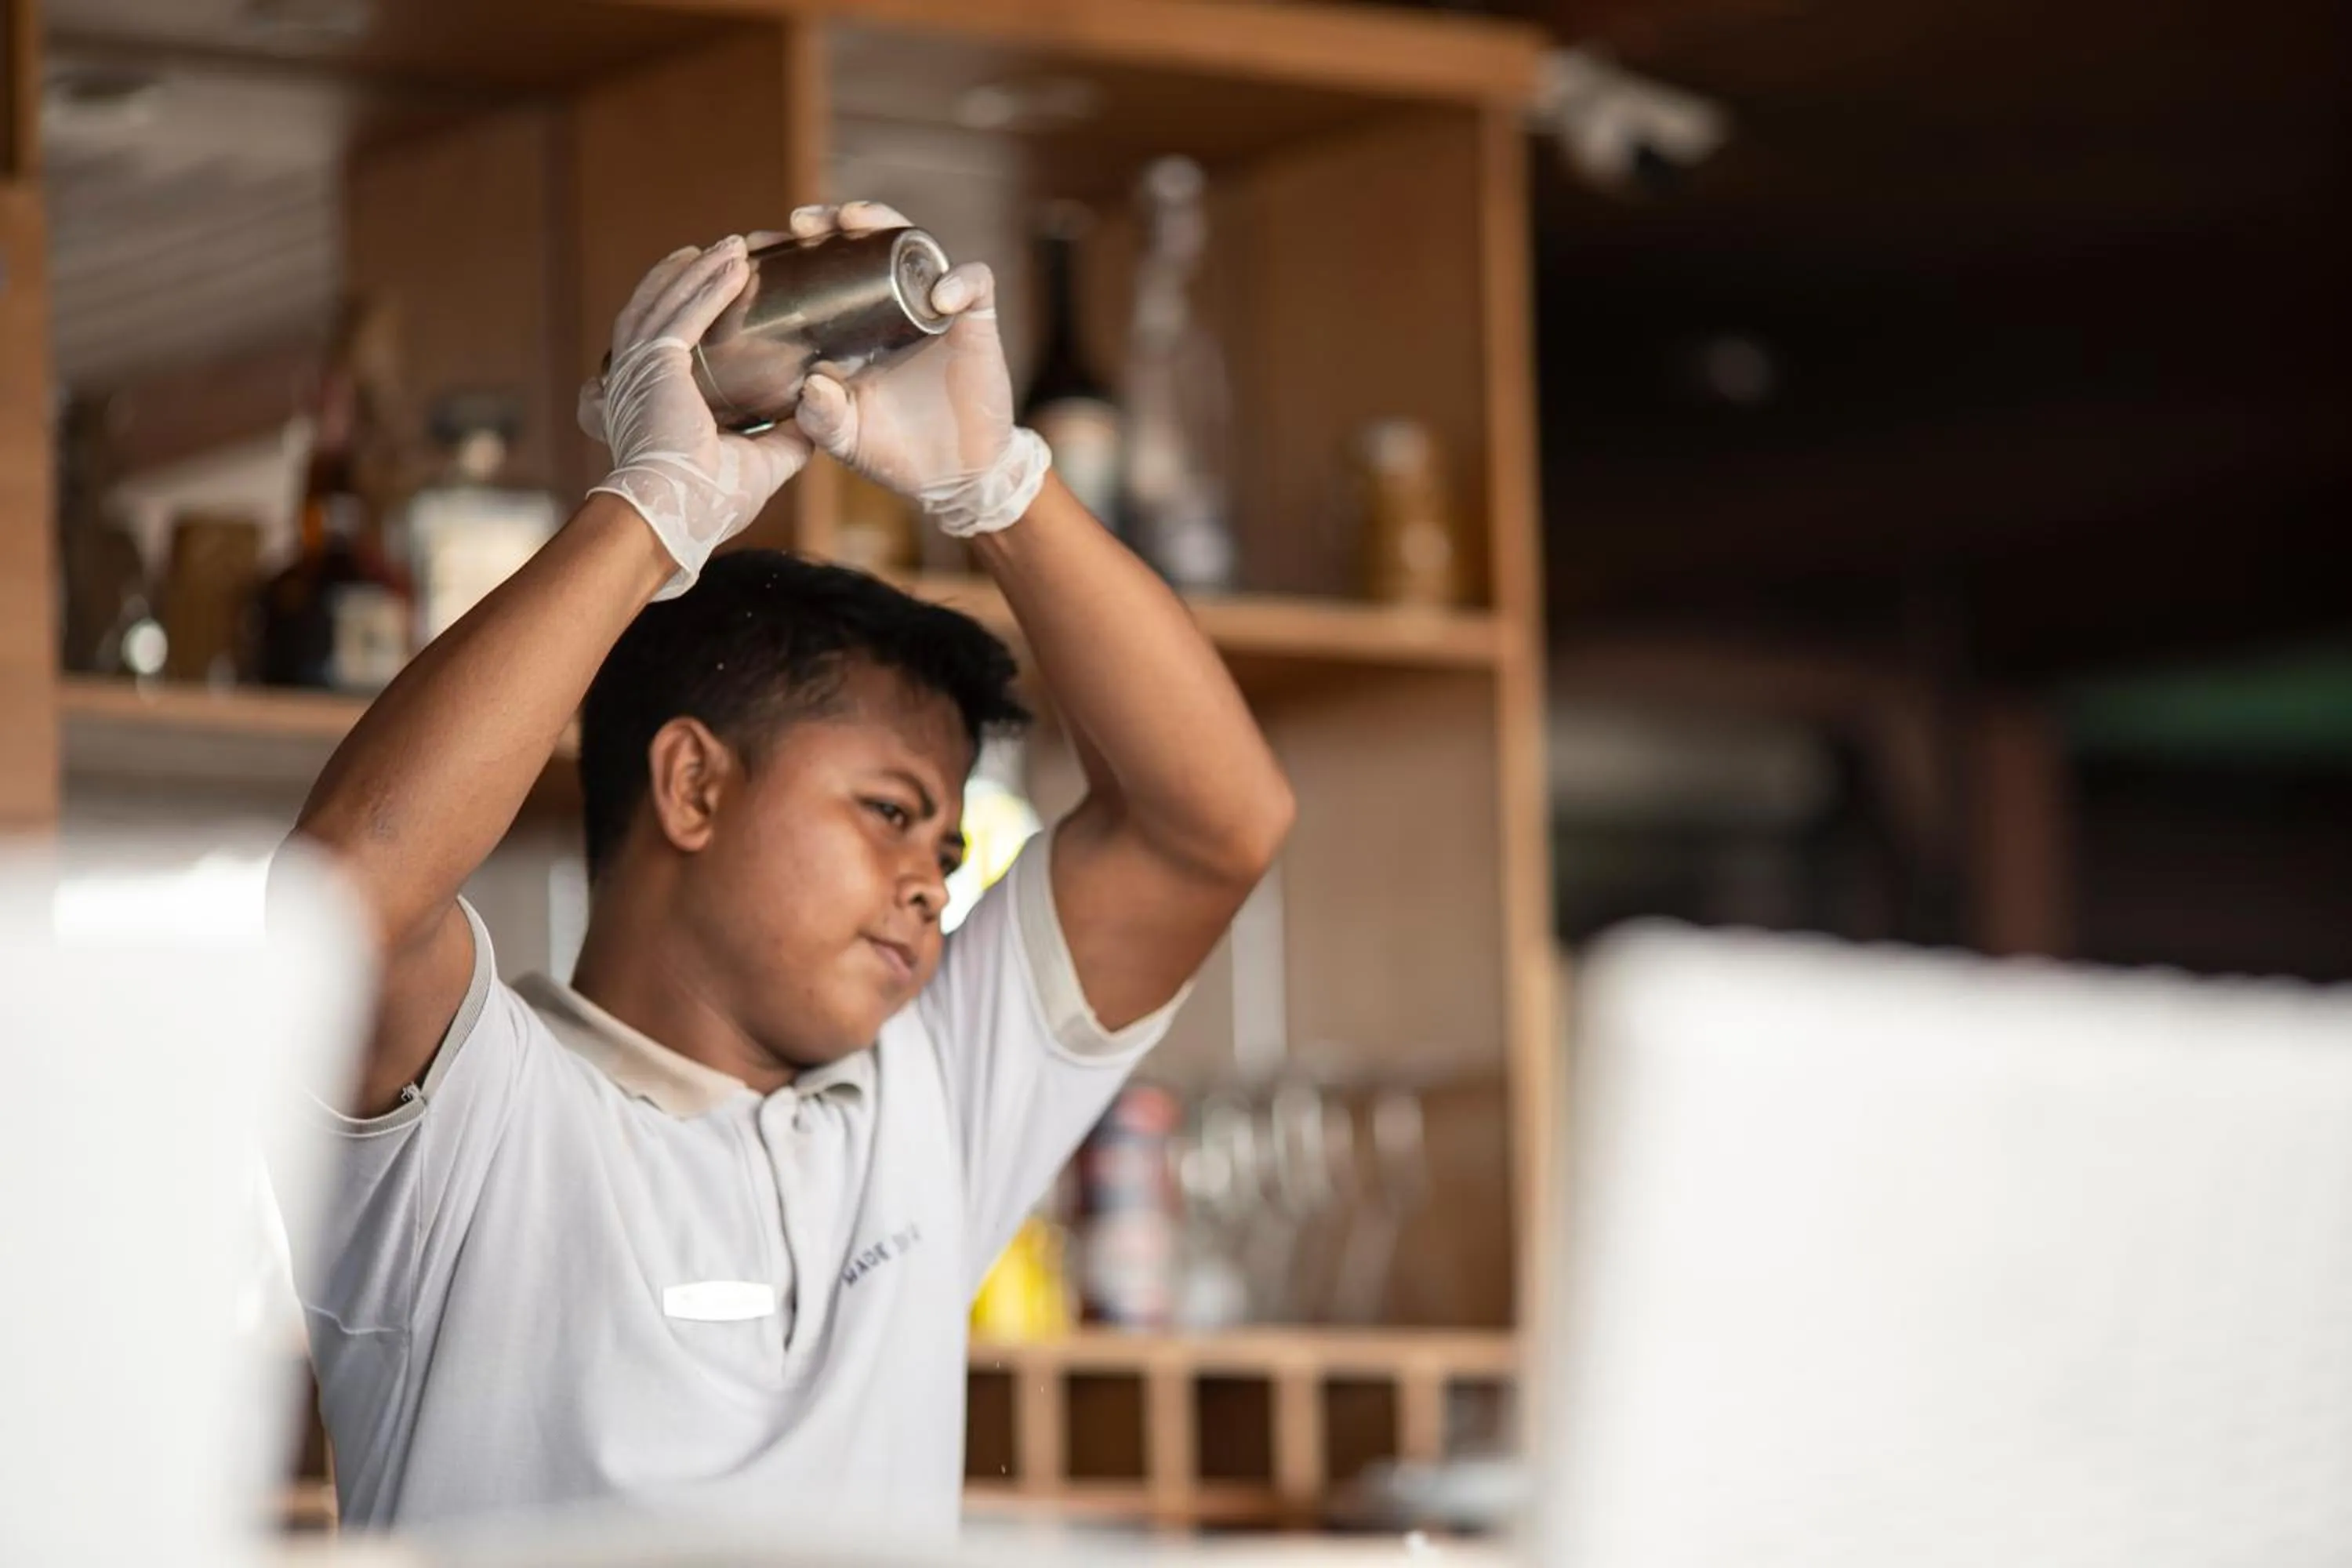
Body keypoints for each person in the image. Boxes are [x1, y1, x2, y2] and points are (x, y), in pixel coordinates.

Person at [288, 202, 1294, 1537]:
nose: (933, 883)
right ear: (694, 786)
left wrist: (997, 487)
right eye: (888, 814)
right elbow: (347, 900)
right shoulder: (480, 1115)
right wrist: (651, 510)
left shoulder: (925, 1098)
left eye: (947, 847)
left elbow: (1214, 828)